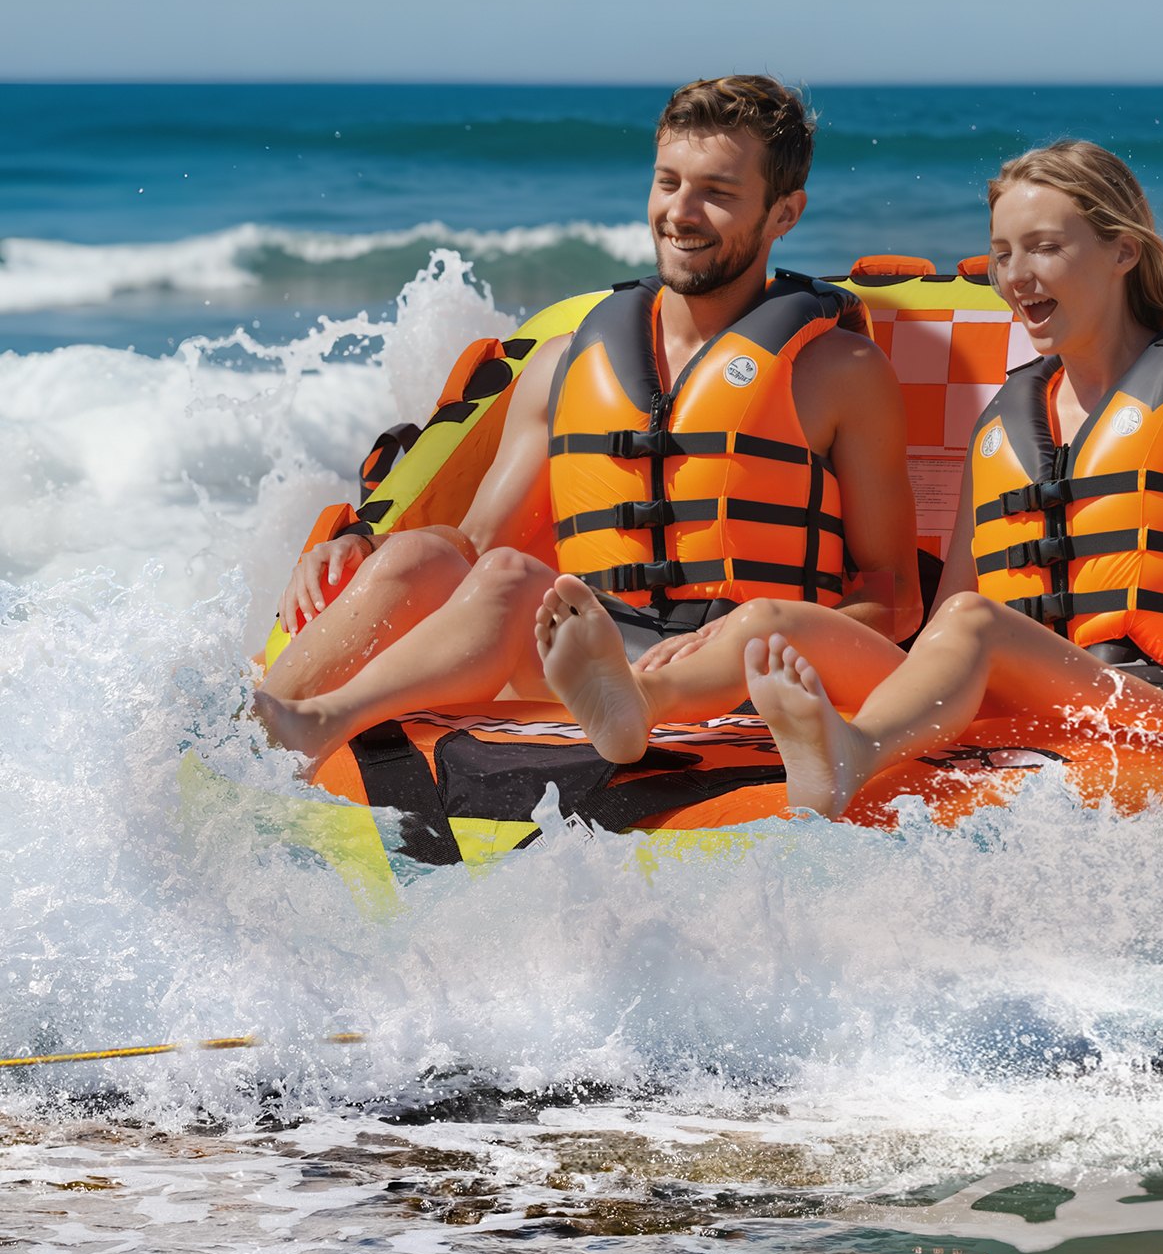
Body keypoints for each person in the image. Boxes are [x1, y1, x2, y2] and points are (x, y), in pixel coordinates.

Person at [531, 138, 1163, 818]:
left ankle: (854, 754)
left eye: (1045, 248)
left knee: (974, 625)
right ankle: (635, 703)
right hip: (1009, 698)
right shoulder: (1004, 424)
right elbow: (948, 607)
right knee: (769, 619)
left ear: (1123, 252)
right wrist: (853, 658)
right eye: (1002, 253)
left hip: (1150, 699)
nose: (1017, 276)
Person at [255, 75, 922, 769]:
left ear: (785, 213)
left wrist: (752, 640)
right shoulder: (561, 366)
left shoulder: (840, 371)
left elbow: (895, 599)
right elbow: (476, 548)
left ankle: (645, 696)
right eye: (668, 183)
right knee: (447, 560)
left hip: (754, 667)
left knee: (752, 627)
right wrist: (362, 545)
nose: (681, 212)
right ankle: (272, 725)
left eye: (717, 193)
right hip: (591, 665)